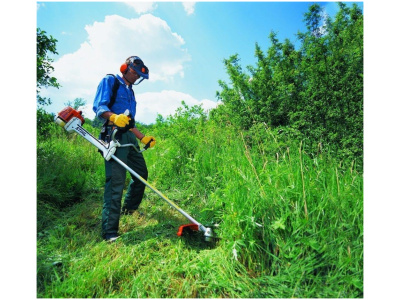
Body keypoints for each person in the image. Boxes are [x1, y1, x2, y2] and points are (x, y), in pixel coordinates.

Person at [93, 56, 156, 242]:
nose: (136, 78)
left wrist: (142, 137)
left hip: (129, 137)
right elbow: (99, 107)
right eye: (135, 73)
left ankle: (129, 209)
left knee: (140, 174)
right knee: (116, 182)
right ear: (125, 68)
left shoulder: (131, 92)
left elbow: (129, 123)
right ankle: (109, 231)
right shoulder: (110, 81)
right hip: (114, 135)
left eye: (139, 76)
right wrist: (113, 117)